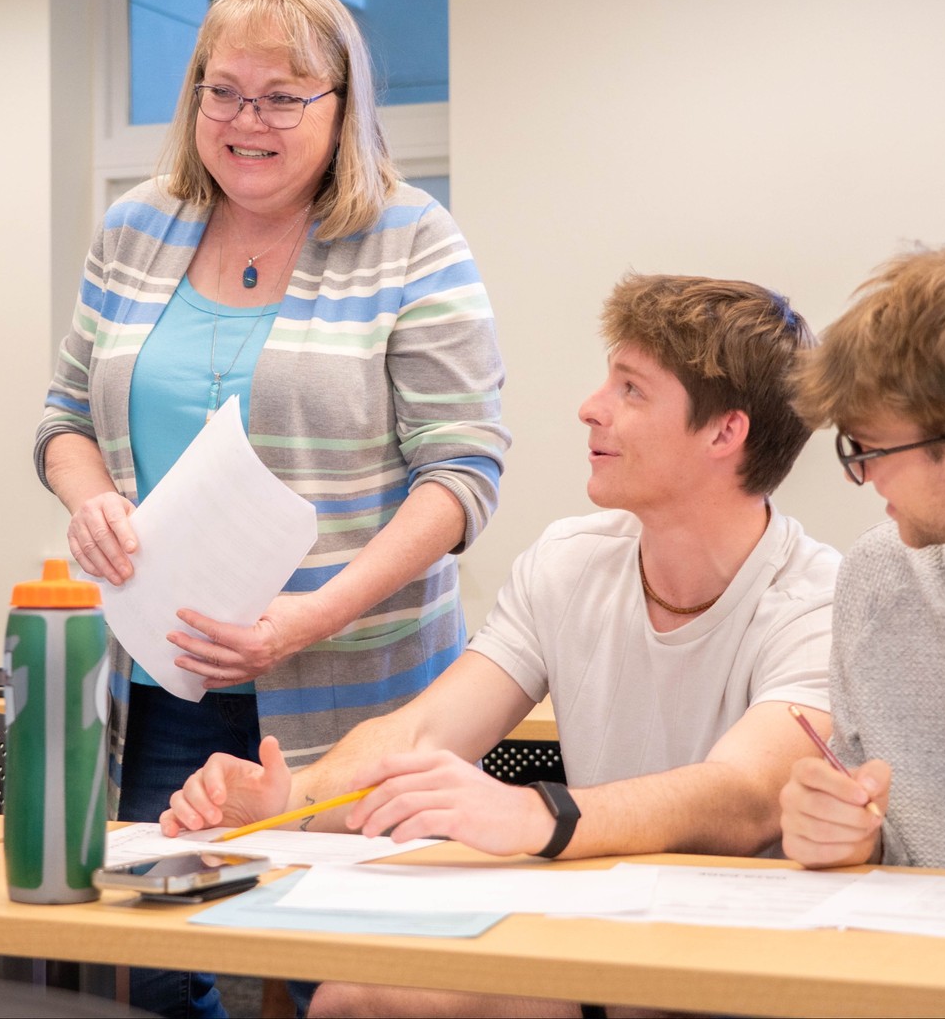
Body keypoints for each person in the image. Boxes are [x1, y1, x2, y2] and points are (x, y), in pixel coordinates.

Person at [162, 274, 841, 1019]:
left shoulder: (819, 598)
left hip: (741, 964)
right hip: (594, 938)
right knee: (352, 1000)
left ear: (724, 433)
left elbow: (742, 797)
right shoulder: (568, 561)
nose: (592, 408)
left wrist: (538, 817)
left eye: (632, 390)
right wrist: (286, 801)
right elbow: (421, 731)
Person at [35, 0, 507, 1017]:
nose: (248, 120)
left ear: (341, 111)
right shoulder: (135, 231)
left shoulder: (410, 237)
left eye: (284, 97)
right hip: (162, 684)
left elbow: (463, 473)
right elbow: (65, 420)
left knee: (339, 969)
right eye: (223, 90)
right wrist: (91, 499)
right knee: (152, 965)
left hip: (360, 687)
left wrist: (314, 614)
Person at [779, 245, 945, 873]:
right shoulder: (881, 573)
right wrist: (838, 833)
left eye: (869, 450)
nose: (863, 476)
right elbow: (873, 826)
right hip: (898, 956)